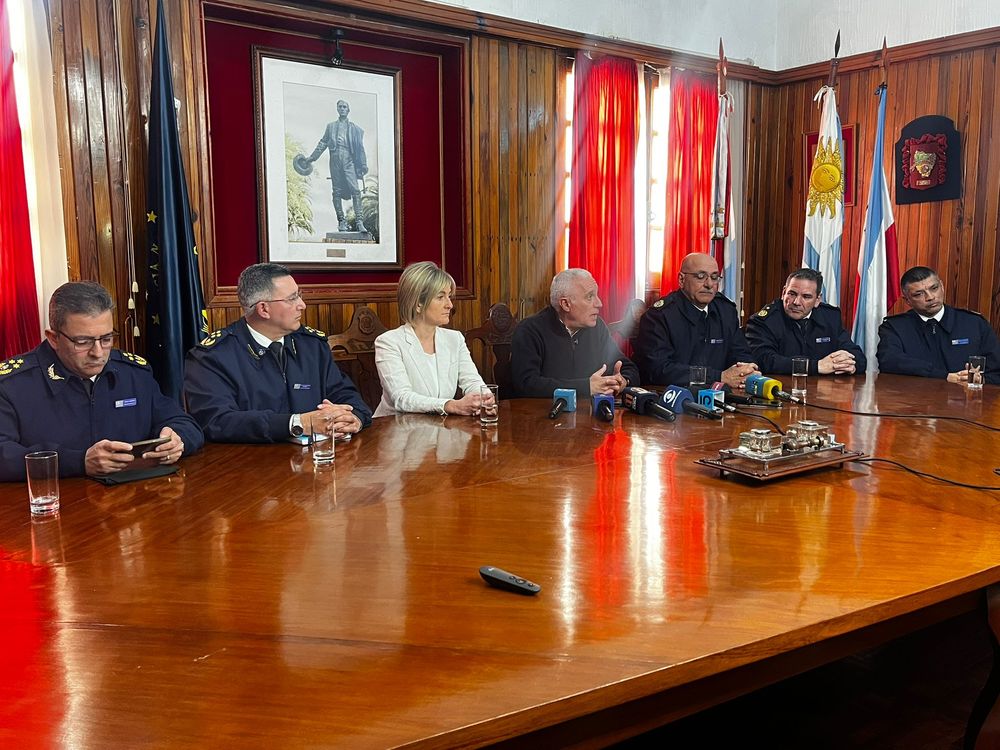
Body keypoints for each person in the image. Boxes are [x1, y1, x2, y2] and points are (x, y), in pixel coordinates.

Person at [0, 281, 203, 482]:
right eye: (83, 342)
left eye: (106, 339)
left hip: (134, 505)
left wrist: (178, 439)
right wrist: (78, 462)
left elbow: (186, 424)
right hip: (48, 507)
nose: (98, 353)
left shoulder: (134, 373)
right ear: (53, 338)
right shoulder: (12, 384)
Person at [184, 263, 372, 442]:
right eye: (292, 298)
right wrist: (296, 424)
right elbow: (218, 422)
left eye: (299, 295)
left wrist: (353, 417)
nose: (302, 305)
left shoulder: (312, 345)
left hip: (317, 462)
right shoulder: (212, 357)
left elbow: (345, 395)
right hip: (247, 468)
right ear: (263, 309)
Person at [373, 261, 486, 417]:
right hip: (397, 431)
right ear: (418, 304)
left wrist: (484, 399)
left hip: (440, 430)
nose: (450, 305)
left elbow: (473, 382)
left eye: (449, 296)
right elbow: (402, 397)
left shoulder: (455, 339)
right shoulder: (388, 342)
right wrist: (450, 406)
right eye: (441, 297)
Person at [635, 252, 758, 389]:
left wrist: (746, 371)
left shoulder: (726, 311)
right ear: (681, 280)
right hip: (672, 398)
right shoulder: (659, 317)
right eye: (701, 276)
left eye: (714, 277)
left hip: (722, 396)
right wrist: (717, 377)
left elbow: (741, 354)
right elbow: (658, 370)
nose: (709, 284)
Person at [510, 269, 638, 399]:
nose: (599, 303)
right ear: (566, 304)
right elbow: (526, 385)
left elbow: (628, 368)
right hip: (541, 415)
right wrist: (586, 387)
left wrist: (623, 381)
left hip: (589, 415)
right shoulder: (529, 330)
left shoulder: (597, 327)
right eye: (590, 297)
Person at [877, 265, 1000, 384]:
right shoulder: (894, 327)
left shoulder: (974, 323)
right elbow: (890, 362)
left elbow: (996, 372)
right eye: (919, 294)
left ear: (942, 286)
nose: (930, 297)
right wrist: (943, 376)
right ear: (907, 301)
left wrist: (981, 380)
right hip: (915, 402)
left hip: (968, 400)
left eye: (934, 288)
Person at [745, 268, 866, 375]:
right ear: (783, 293)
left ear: (818, 299)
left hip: (824, 393)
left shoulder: (830, 317)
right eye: (792, 294)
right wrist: (817, 366)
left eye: (806, 297)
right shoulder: (764, 321)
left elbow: (858, 357)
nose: (796, 302)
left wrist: (849, 364)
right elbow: (766, 361)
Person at [306, 99, 369, 233]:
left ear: (348, 110)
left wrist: (363, 164)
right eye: (340, 107)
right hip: (334, 159)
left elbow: (360, 147)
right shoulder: (330, 126)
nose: (342, 109)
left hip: (348, 159)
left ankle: (359, 222)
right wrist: (312, 158)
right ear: (337, 109)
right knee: (337, 191)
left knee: (356, 191)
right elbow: (323, 143)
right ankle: (341, 221)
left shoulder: (355, 129)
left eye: (344, 107)